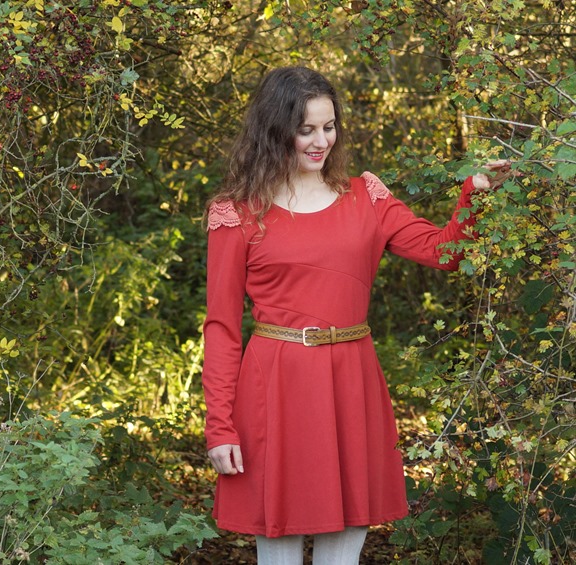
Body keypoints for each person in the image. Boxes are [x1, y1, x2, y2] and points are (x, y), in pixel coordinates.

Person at [201, 66, 512, 564]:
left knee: (343, 550)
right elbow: (220, 327)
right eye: (305, 129)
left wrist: (474, 192)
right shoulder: (237, 213)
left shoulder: (365, 196)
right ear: (274, 128)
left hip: (351, 380)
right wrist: (219, 426)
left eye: (328, 126)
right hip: (274, 387)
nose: (320, 141)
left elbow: (444, 251)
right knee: (276, 545)